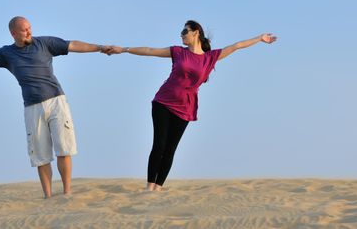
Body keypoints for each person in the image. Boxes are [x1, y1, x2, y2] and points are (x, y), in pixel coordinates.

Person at [0, 16, 108, 199]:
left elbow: (72, 45)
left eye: (30, 28)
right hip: (32, 107)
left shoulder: (45, 43)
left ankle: (66, 193)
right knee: (40, 156)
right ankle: (48, 197)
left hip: (57, 101)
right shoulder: (6, 54)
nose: (29, 32)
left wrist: (99, 47)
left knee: (64, 149)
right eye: (24, 30)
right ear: (13, 33)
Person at [106, 20, 277, 191]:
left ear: (195, 33)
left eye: (184, 31)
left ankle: (158, 189)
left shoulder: (210, 58)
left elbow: (237, 45)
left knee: (170, 148)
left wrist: (260, 38)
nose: (181, 35)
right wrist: (124, 49)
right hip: (163, 102)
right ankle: (149, 187)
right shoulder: (178, 52)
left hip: (185, 107)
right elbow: (150, 51)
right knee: (159, 144)